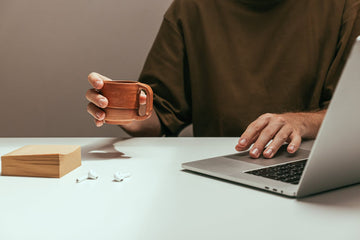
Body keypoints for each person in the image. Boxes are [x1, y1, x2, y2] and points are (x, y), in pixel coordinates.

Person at [86, 0, 360, 159]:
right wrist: (129, 114)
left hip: (307, 165)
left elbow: (351, 115)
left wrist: (299, 122)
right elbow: (161, 114)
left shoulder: (344, 6)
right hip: (215, 168)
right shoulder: (192, 7)